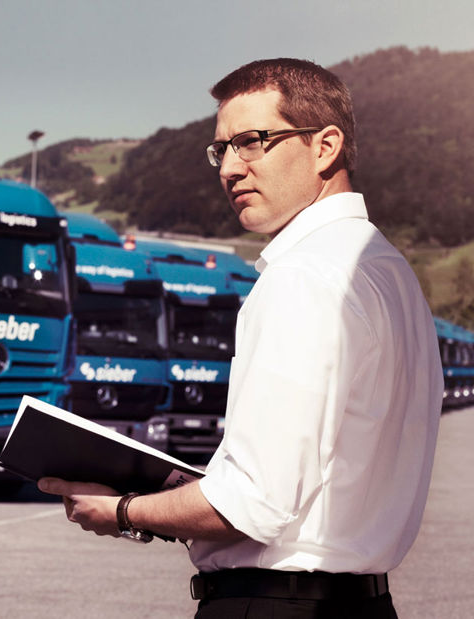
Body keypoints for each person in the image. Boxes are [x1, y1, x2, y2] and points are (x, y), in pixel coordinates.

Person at [38, 58, 442, 618]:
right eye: (221, 149)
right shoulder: (391, 274)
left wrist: (125, 511)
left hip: (272, 604)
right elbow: (315, 479)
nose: (229, 167)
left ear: (325, 147)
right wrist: (182, 490)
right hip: (363, 602)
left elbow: (254, 505)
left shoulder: (302, 275)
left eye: (252, 141)